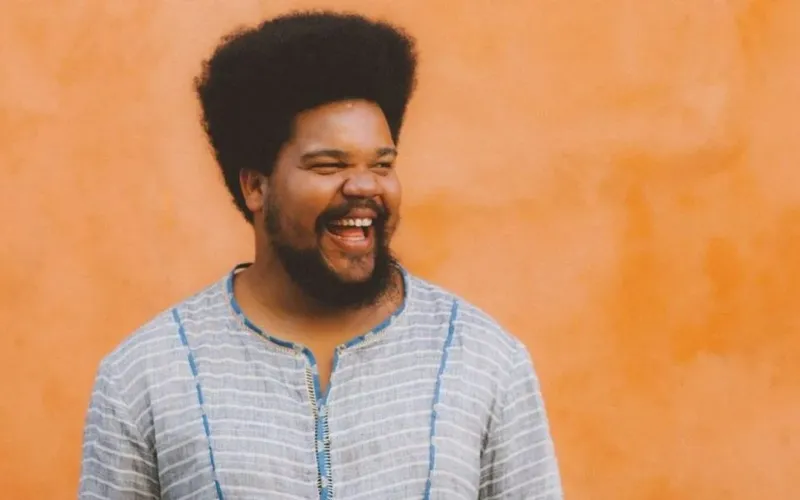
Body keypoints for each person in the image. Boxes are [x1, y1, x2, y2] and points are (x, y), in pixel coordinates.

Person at [78, 10, 563, 500]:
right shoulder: (147, 375)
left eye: (382, 164)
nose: (364, 186)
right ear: (256, 186)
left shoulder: (483, 360)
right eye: (329, 165)